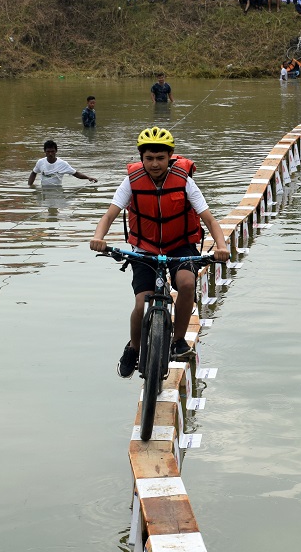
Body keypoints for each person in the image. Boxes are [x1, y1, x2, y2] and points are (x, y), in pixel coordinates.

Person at [89, 127, 230, 373]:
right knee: (141, 301)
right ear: (141, 158)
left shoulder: (184, 180)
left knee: (186, 284)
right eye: (149, 158)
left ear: (170, 156)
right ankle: (134, 348)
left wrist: (221, 246)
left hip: (180, 246)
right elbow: (109, 214)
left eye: (160, 158)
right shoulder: (131, 181)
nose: (155, 164)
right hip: (144, 249)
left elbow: (209, 219)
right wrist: (98, 237)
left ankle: (178, 341)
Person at [28, 141, 97, 187]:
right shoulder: (40, 162)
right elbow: (34, 173)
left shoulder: (63, 164)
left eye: (52, 151)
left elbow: (75, 173)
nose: (50, 154)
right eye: (48, 151)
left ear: (56, 151)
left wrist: (88, 178)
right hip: (44, 190)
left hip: (57, 190)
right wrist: (30, 186)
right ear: (44, 151)